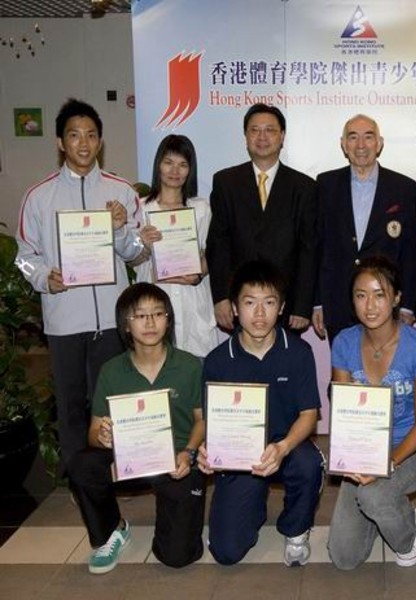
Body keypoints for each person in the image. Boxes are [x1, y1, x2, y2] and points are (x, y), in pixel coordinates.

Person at [15, 98, 143, 476]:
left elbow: (137, 254)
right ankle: (78, 481)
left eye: (91, 135)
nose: (83, 143)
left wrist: (120, 228)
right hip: (64, 320)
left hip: (111, 318)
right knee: (70, 406)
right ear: (60, 143)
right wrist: (44, 278)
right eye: (74, 135)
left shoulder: (122, 191)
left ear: (100, 142)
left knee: (113, 403)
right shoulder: (38, 197)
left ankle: (116, 475)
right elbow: (24, 255)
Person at [68, 283, 205, 574]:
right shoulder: (111, 370)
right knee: (82, 463)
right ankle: (112, 530)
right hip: (129, 457)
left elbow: (202, 420)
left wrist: (189, 453)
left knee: (177, 557)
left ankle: (173, 521)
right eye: (140, 315)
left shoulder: (191, 365)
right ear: (126, 325)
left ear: (168, 320)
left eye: (158, 313)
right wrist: (103, 436)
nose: (150, 322)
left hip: (176, 461)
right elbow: (93, 432)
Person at [197, 259, 324, 567]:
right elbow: (208, 421)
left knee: (309, 463)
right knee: (226, 553)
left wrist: (281, 448)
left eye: (269, 303)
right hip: (239, 453)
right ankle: (252, 504)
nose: (259, 313)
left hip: (285, 445)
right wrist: (205, 450)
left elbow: (309, 414)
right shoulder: (217, 361)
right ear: (235, 308)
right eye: (250, 302)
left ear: (281, 307)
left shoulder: (298, 352)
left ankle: (295, 530)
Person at [327, 257, 416, 569]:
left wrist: (386, 464)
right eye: (361, 295)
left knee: (374, 496)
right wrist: (350, 458)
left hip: (413, 449)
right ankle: (385, 508)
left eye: (380, 294)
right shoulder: (344, 342)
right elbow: (344, 410)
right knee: (344, 558)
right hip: (364, 448)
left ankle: (405, 530)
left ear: (397, 298)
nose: (370, 305)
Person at [206, 103, 316, 332]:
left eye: (270, 130)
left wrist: (303, 306)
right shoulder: (226, 182)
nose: (262, 137)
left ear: (282, 136)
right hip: (240, 303)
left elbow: (309, 250)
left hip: (287, 305)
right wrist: (221, 298)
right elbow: (218, 244)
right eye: (255, 130)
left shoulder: (304, 186)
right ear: (245, 136)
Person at [313, 115, 416, 342]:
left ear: (379, 143)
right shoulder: (325, 185)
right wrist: (317, 302)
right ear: (343, 144)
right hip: (337, 303)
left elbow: (412, 253)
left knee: (385, 373)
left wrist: (407, 306)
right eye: (353, 137)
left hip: (386, 303)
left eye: (368, 137)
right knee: (344, 373)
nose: (361, 145)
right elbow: (316, 247)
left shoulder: (405, 188)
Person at [133, 134, 219, 358]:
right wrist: (141, 242)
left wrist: (199, 271)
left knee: (195, 379)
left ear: (190, 170)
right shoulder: (141, 209)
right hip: (153, 303)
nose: (175, 171)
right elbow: (131, 258)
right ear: (158, 165)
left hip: (193, 304)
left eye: (182, 165)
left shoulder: (201, 209)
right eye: (168, 162)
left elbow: (214, 255)